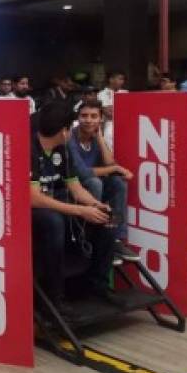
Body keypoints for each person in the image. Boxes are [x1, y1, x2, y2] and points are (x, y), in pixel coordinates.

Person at [30, 101, 117, 319]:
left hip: (55, 197)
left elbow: (75, 187)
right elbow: (33, 198)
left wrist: (94, 205)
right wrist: (78, 211)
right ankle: (54, 297)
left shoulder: (63, 149)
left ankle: (98, 284)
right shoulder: (29, 148)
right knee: (54, 221)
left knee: (107, 218)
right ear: (63, 130)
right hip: (31, 206)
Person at [66, 100, 137, 264]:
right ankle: (95, 238)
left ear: (100, 119)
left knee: (118, 183)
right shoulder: (70, 137)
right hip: (73, 189)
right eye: (84, 116)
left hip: (93, 187)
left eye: (93, 116)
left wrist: (99, 138)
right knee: (95, 182)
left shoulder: (97, 139)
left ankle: (115, 239)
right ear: (78, 118)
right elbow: (81, 172)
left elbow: (110, 164)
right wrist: (114, 169)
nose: (89, 120)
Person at [97, 70, 127, 151]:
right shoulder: (102, 94)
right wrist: (124, 110)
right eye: (119, 79)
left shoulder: (125, 93)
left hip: (126, 126)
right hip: (110, 126)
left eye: (123, 79)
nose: (122, 81)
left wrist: (114, 108)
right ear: (111, 79)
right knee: (111, 153)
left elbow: (132, 111)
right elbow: (109, 114)